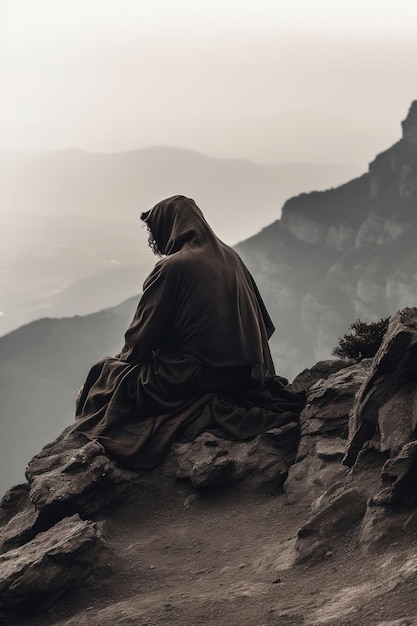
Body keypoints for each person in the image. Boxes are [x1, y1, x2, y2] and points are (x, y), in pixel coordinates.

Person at [72, 195, 305, 469]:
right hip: (244, 376)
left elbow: (139, 341)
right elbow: (262, 325)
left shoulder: (173, 267)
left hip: (192, 377)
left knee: (104, 373)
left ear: (168, 227)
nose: (152, 239)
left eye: (152, 231)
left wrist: (124, 361)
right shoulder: (231, 256)